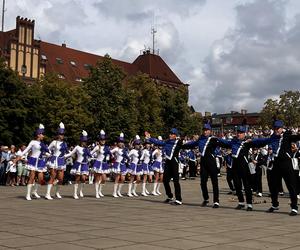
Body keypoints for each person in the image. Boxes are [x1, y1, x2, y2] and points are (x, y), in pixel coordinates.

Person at [219, 126, 270, 211]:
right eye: (238, 132)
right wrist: (215, 139)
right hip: (235, 166)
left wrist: (269, 139)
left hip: (244, 167)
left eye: (241, 133)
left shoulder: (247, 142)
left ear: (244, 134)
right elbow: (225, 143)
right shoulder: (233, 141)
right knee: (237, 186)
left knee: (247, 186)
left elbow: (259, 142)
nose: (239, 134)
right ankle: (241, 202)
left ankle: (249, 204)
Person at [183, 123, 224, 208]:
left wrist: (234, 142)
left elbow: (224, 143)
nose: (205, 132)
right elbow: (192, 144)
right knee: (203, 182)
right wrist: (182, 145)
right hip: (203, 162)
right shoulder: (200, 139)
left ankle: (216, 201)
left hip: (211, 162)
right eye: (204, 130)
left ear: (210, 131)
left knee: (214, 182)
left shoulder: (213, 139)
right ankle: (206, 198)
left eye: (207, 130)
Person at [267, 120, 300, 216]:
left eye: (278, 128)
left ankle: (294, 207)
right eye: (275, 128)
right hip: (276, 163)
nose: (276, 130)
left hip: (286, 164)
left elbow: (296, 137)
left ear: (282, 128)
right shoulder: (273, 137)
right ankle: (274, 204)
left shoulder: (287, 135)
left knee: (291, 186)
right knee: (273, 185)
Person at [145, 128, 185, 205]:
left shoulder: (178, 142)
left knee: (176, 181)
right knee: (165, 180)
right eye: (169, 133)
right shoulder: (167, 142)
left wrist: (182, 138)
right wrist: (150, 138)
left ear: (175, 135)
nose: (170, 135)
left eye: (172, 134)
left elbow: (184, 143)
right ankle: (170, 196)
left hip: (174, 162)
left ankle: (178, 199)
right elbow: (159, 142)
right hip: (168, 162)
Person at [17, 124, 49, 200]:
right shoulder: (33, 142)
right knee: (31, 177)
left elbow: (47, 152)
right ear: (38, 135)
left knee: (41, 178)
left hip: (40, 161)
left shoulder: (43, 144)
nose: (43, 136)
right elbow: (26, 150)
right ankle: (28, 194)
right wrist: (19, 157)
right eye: (42, 134)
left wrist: (48, 154)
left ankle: (34, 191)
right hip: (33, 160)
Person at [65, 130, 91, 199]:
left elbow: (90, 156)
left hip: (85, 164)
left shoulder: (87, 149)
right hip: (78, 164)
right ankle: (75, 193)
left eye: (85, 141)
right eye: (83, 141)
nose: (84, 143)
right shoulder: (77, 147)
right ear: (81, 141)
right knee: (77, 178)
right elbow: (71, 154)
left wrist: (92, 158)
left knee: (84, 178)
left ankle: (81, 191)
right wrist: (63, 156)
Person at [45, 122, 68, 200]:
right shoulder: (54, 142)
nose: (62, 136)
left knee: (61, 179)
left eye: (63, 134)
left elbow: (67, 153)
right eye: (61, 134)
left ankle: (57, 192)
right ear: (58, 135)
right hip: (54, 160)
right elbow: (46, 150)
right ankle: (47, 194)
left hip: (61, 161)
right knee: (53, 176)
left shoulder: (65, 144)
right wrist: (49, 155)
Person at [90, 130, 110, 198]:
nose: (103, 141)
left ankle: (99, 191)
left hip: (104, 164)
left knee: (104, 179)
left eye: (104, 139)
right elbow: (90, 153)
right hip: (98, 163)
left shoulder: (107, 147)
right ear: (99, 140)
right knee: (97, 178)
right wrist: (91, 157)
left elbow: (110, 154)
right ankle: (96, 193)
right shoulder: (97, 147)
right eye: (101, 139)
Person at [111, 133, 128, 198]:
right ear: (118, 143)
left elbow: (127, 156)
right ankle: (114, 192)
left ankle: (119, 191)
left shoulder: (124, 149)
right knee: (117, 178)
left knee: (123, 179)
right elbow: (109, 152)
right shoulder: (116, 149)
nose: (121, 143)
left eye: (122, 142)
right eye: (120, 142)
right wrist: (113, 156)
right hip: (117, 164)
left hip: (123, 164)